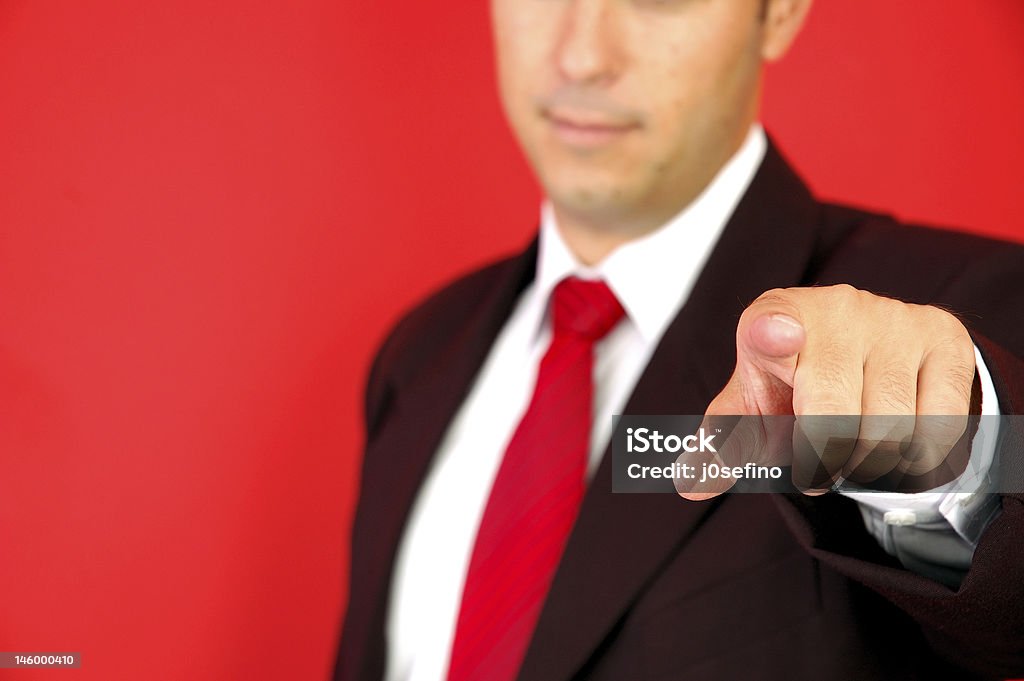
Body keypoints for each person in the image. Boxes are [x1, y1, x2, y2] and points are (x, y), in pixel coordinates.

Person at [336, 0, 1024, 679]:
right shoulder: (421, 353)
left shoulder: (965, 314)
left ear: (779, 13)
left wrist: (958, 464)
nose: (580, 57)